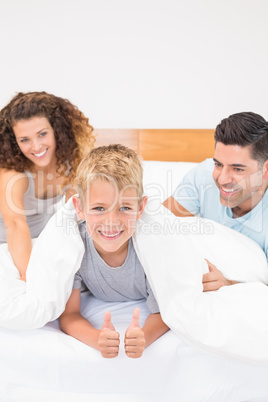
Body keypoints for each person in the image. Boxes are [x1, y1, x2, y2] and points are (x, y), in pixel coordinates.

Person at [59, 144, 169, 358]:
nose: (112, 221)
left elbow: (167, 310)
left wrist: (145, 336)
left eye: (125, 208)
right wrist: (95, 338)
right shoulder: (76, 247)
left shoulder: (150, 247)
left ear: (141, 207)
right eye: (99, 208)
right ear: (79, 208)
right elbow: (69, 315)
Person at [163, 112, 268, 291]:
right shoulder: (203, 175)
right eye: (218, 164)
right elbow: (160, 221)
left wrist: (229, 284)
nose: (222, 179)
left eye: (237, 169)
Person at [0, 91, 95, 281]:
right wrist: (29, 275)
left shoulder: (72, 164)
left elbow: (75, 214)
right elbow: (15, 225)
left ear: (57, 131)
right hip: (8, 241)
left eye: (42, 134)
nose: (36, 146)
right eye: (24, 140)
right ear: (14, 142)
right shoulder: (13, 174)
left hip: (40, 237)